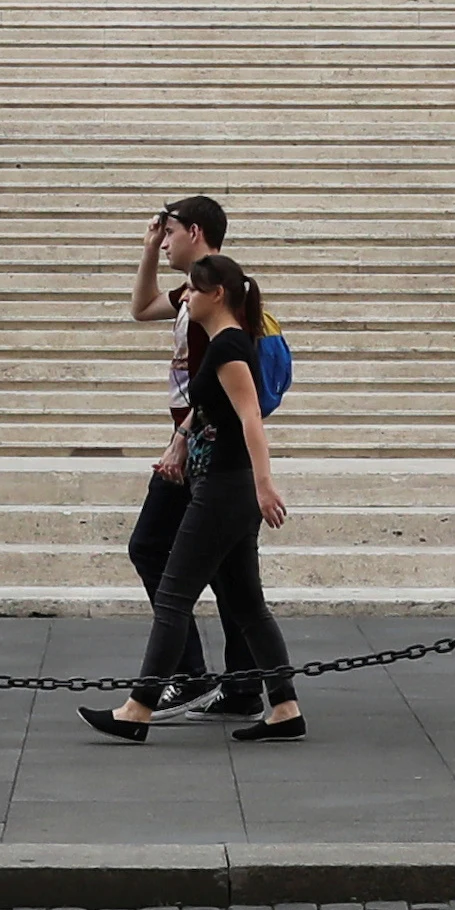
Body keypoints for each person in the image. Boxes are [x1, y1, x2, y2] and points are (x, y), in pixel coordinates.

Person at [86, 255, 298, 744]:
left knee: (174, 595)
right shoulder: (224, 345)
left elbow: (251, 421)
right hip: (224, 484)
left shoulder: (228, 347)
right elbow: (214, 411)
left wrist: (264, 486)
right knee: (246, 603)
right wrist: (180, 442)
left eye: (194, 290)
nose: (187, 296)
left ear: (217, 294)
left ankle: (137, 708)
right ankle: (285, 707)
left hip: (225, 486)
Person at [126, 196, 270, 718]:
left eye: (167, 233)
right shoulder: (194, 296)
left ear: (195, 231)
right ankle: (248, 687)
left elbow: (221, 398)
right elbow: (141, 308)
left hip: (206, 452)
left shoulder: (214, 305)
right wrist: (145, 253)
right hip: (205, 451)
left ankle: (190, 677)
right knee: (233, 573)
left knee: (150, 547)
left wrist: (181, 443)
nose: (163, 241)